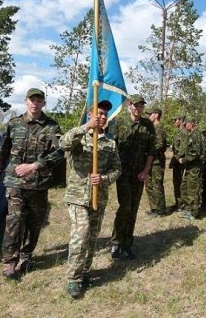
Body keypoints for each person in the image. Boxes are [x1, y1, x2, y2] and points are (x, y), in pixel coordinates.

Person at [0, 88, 63, 279]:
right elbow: (3, 153)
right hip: (15, 183)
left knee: (34, 223)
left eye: (39, 100)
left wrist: (36, 165)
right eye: (32, 100)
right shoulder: (14, 125)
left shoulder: (52, 127)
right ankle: (9, 262)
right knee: (14, 220)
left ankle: (26, 256)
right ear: (25, 101)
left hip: (38, 184)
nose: (35, 104)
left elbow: (59, 153)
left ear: (44, 103)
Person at [60, 100, 121, 299]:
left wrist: (102, 178)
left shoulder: (110, 143)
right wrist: (87, 127)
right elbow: (64, 143)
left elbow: (117, 169)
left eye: (105, 115)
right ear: (90, 114)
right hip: (78, 196)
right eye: (99, 113)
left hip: (98, 197)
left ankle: (85, 271)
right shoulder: (80, 135)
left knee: (92, 237)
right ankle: (74, 278)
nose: (102, 117)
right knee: (81, 234)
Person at [110, 94, 156, 260]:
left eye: (141, 106)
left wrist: (146, 170)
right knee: (125, 207)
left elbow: (151, 151)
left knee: (134, 209)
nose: (138, 108)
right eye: (136, 105)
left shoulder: (148, 125)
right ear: (129, 105)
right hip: (123, 173)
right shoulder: (119, 123)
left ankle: (127, 244)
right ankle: (116, 242)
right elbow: (111, 147)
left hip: (138, 174)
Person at [176, 117, 203, 220]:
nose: (184, 125)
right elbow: (187, 149)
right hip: (189, 167)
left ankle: (194, 213)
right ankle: (189, 209)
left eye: (186, 124)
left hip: (194, 167)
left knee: (192, 190)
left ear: (191, 124)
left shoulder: (196, 135)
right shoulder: (190, 135)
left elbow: (195, 153)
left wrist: (184, 160)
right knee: (184, 188)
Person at [145, 107, 167, 217]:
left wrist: (148, 152)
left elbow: (160, 144)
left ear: (156, 115)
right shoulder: (152, 127)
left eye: (150, 114)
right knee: (148, 185)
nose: (148, 116)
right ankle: (153, 208)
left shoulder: (158, 127)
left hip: (157, 162)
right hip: (150, 161)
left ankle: (161, 210)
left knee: (157, 185)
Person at [169, 116, 186, 211]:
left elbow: (183, 149)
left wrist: (177, 157)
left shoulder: (183, 133)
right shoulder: (178, 132)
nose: (174, 122)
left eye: (175, 120)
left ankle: (182, 204)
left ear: (181, 121)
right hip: (176, 161)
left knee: (180, 183)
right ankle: (178, 204)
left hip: (180, 162)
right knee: (176, 183)